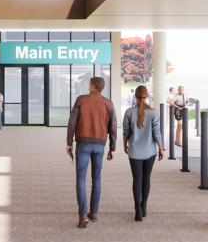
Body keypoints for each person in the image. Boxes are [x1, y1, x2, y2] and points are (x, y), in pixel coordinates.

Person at [66, 77, 117, 229]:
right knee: (97, 178)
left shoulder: (81, 100)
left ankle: (83, 215)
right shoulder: (108, 103)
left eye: (89, 84)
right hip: (100, 145)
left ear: (92, 86)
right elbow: (113, 126)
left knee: (81, 179)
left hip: (82, 143)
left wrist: (69, 142)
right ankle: (93, 213)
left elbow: (72, 122)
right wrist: (112, 148)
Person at [122, 86, 165, 222]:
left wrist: (125, 144)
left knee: (137, 179)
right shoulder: (153, 113)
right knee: (146, 179)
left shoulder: (129, 112)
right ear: (147, 97)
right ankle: (144, 207)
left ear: (135, 96)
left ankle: (137, 210)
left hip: (134, 152)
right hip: (150, 152)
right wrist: (161, 148)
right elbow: (157, 132)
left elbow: (126, 131)